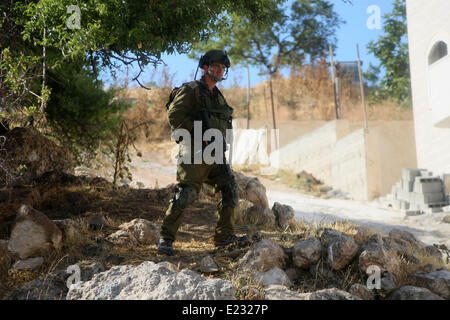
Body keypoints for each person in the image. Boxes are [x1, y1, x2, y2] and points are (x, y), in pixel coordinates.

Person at [157, 49, 248, 255]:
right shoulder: (191, 90)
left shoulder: (218, 97)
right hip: (194, 151)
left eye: (223, 67)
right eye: (216, 66)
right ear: (205, 67)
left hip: (216, 153)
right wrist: (199, 133)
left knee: (231, 190)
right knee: (186, 193)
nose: (220, 70)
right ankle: (166, 238)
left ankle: (224, 238)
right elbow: (175, 116)